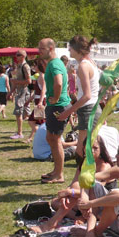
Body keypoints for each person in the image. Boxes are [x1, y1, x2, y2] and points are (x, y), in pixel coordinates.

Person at [58, 35, 102, 162]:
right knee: (87, 147)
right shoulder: (90, 63)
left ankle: (84, 173)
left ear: (77, 49)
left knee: (83, 150)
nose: (68, 50)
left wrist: (68, 112)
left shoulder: (83, 66)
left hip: (88, 109)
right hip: (92, 108)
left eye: (70, 48)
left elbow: (87, 95)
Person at [38, 38, 71, 184]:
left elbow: (58, 82)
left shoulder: (54, 63)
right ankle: (56, 171)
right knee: (51, 138)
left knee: (55, 139)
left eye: (41, 49)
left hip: (58, 106)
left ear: (50, 49)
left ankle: (59, 174)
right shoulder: (53, 63)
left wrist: (56, 98)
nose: (39, 51)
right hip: (56, 106)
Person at [8, 49, 32, 139]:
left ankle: (20, 133)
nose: (16, 57)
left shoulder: (25, 66)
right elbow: (16, 81)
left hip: (23, 91)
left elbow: (29, 81)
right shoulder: (19, 66)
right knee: (25, 113)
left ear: (23, 56)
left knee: (19, 112)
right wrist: (10, 92)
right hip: (19, 91)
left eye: (18, 55)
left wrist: (16, 82)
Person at [25, 58, 47, 143]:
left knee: (33, 121)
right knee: (38, 122)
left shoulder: (42, 76)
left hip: (41, 101)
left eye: (35, 65)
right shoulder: (39, 76)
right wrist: (28, 100)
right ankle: (31, 138)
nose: (34, 67)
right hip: (38, 100)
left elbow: (43, 90)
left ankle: (43, 137)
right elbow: (36, 92)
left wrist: (40, 102)